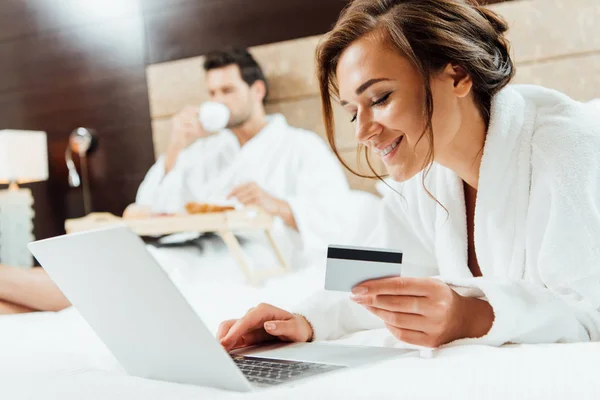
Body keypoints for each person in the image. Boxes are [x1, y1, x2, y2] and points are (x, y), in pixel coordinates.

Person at [217, 0, 600, 350]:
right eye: (353, 111)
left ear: (458, 74)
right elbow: (367, 277)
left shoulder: (568, 151)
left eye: (380, 99)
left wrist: (472, 316)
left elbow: (593, 314)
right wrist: (300, 318)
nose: (362, 132)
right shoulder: (417, 171)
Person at [0, 49, 365, 314]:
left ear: (257, 91)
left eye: (227, 91)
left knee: (127, 275)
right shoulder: (208, 150)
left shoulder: (301, 146)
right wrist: (177, 144)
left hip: (252, 258)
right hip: (195, 245)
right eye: (211, 93)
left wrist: (278, 205)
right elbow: (150, 206)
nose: (217, 100)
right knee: (129, 264)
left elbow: (341, 220)